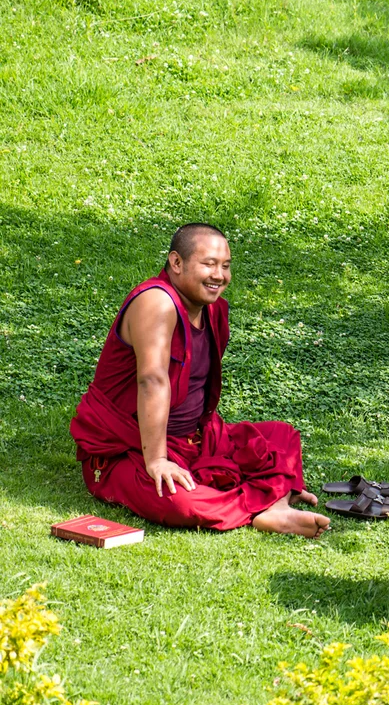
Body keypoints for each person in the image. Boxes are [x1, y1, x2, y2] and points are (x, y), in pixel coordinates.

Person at [69, 224, 330, 538]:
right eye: (209, 264)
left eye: (226, 266)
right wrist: (157, 461)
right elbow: (152, 380)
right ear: (176, 263)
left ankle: (272, 504)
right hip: (132, 449)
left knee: (281, 436)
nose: (219, 275)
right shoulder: (157, 302)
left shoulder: (213, 309)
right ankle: (268, 504)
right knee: (181, 502)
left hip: (196, 439)